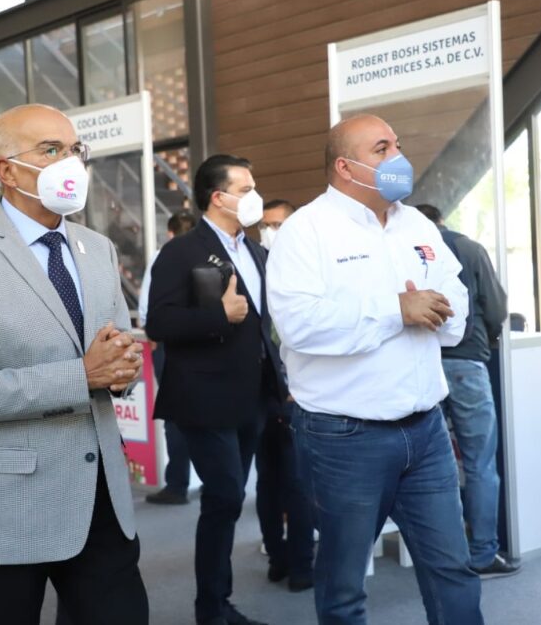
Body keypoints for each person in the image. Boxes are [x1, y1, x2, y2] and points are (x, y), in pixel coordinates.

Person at [0, 103, 148, 625]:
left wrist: (122, 370)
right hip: (9, 503)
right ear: (7, 171)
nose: (71, 162)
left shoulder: (98, 248)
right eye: (50, 150)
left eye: (75, 149)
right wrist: (83, 375)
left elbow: (114, 349)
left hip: (101, 499)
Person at [266, 114, 483, 625]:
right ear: (345, 167)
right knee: (345, 584)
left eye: (397, 146)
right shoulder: (306, 231)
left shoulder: (418, 225)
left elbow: (456, 304)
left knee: (452, 570)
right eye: (382, 149)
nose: (398, 158)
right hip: (345, 439)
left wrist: (431, 310)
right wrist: (396, 310)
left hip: (427, 432)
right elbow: (299, 325)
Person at [147, 154, 287, 625]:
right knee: (225, 496)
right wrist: (218, 316)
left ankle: (219, 603)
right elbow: (159, 322)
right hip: (205, 397)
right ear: (218, 197)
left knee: (227, 499)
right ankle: (211, 608)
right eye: (245, 189)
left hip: (253, 396)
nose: (254, 196)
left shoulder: (257, 251)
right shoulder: (181, 252)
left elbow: (265, 326)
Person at [416, 204, 517, 579]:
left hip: (420, 363)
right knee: (479, 463)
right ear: (441, 220)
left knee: (428, 465)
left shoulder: (402, 248)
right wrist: (484, 339)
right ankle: (483, 553)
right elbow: (496, 308)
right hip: (466, 364)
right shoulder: (468, 248)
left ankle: (441, 552)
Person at [253, 198, 314, 592]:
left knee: (296, 482)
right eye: (265, 225)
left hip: (296, 392)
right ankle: (278, 558)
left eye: (278, 225)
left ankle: (301, 565)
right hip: (263, 392)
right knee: (269, 481)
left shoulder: (304, 267)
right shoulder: (253, 265)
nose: (270, 232)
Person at [139, 210, 198, 506]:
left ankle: (177, 485)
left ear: (170, 233)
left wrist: (151, 331)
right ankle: (210, 477)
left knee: (175, 415)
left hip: (170, 345)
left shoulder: (163, 256)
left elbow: (146, 306)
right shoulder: (208, 254)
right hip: (206, 344)